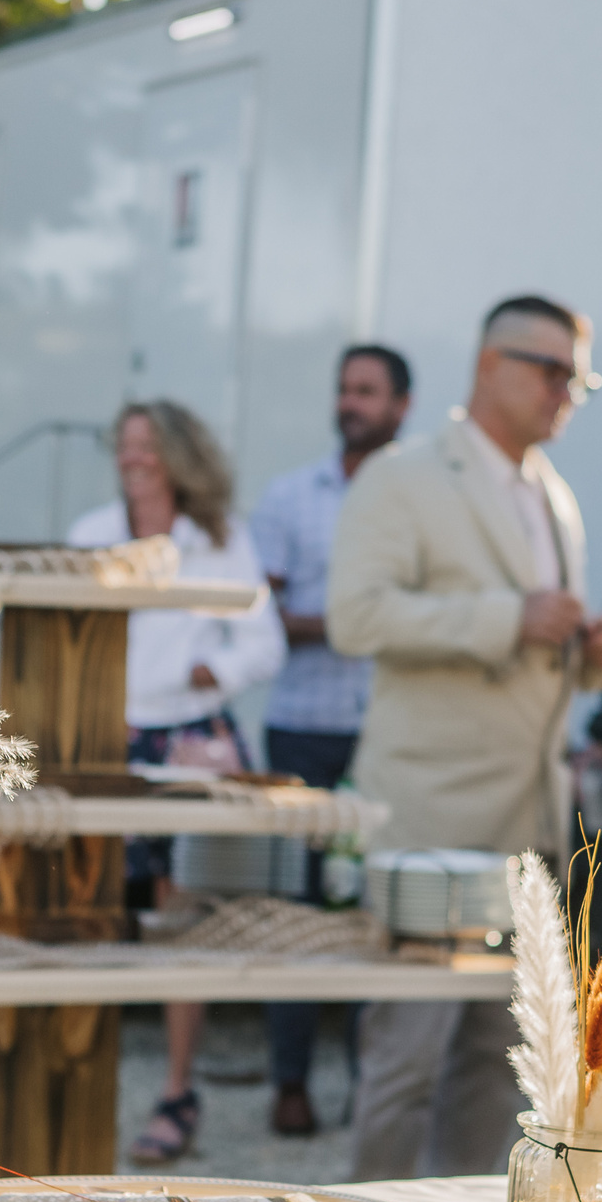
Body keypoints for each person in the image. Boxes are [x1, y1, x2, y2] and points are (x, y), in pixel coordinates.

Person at [328, 294, 602, 1178]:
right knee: (404, 1064)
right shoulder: (404, 474)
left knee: (498, 1071)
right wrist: (509, 616)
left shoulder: (553, 494)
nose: (567, 392)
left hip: (529, 825)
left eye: (581, 377)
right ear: (489, 364)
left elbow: (540, 650)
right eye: (551, 370)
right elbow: (355, 615)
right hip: (430, 815)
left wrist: (597, 654)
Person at [67, 401, 287, 1165]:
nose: (133, 458)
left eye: (147, 446)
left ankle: (176, 1087)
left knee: (180, 912)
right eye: (124, 444)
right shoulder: (91, 531)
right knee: (87, 895)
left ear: (179, 456)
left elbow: (264, 643)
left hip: (190, 738)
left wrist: (212, 670)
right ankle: (77, 1070)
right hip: (106, 737)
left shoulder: (218, 539)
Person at [248, 343, 412, 1137]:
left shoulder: (419, 499)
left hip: (388, 732)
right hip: (303, 729)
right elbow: (262, 616)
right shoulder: (290, 496)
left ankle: (368, 1086)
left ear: (402, 406)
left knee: (378, 911)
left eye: (368, 391)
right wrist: (355, 623)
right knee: (295, 910)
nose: (351, 402)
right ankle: (290, 1082)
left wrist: (354, 623)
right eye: (345, 389)